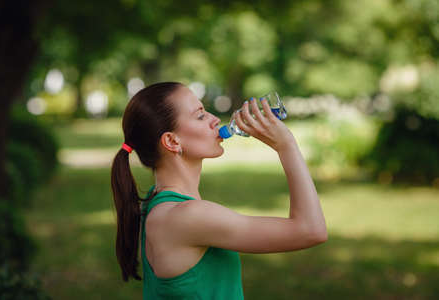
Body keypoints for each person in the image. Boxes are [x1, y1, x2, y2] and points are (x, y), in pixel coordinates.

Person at [110, 82, 327, 299]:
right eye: (200, 115)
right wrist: (286, 145)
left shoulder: (157, 203)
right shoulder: (187, 216)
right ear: (172, 141)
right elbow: (310, 230)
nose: (215, 119)